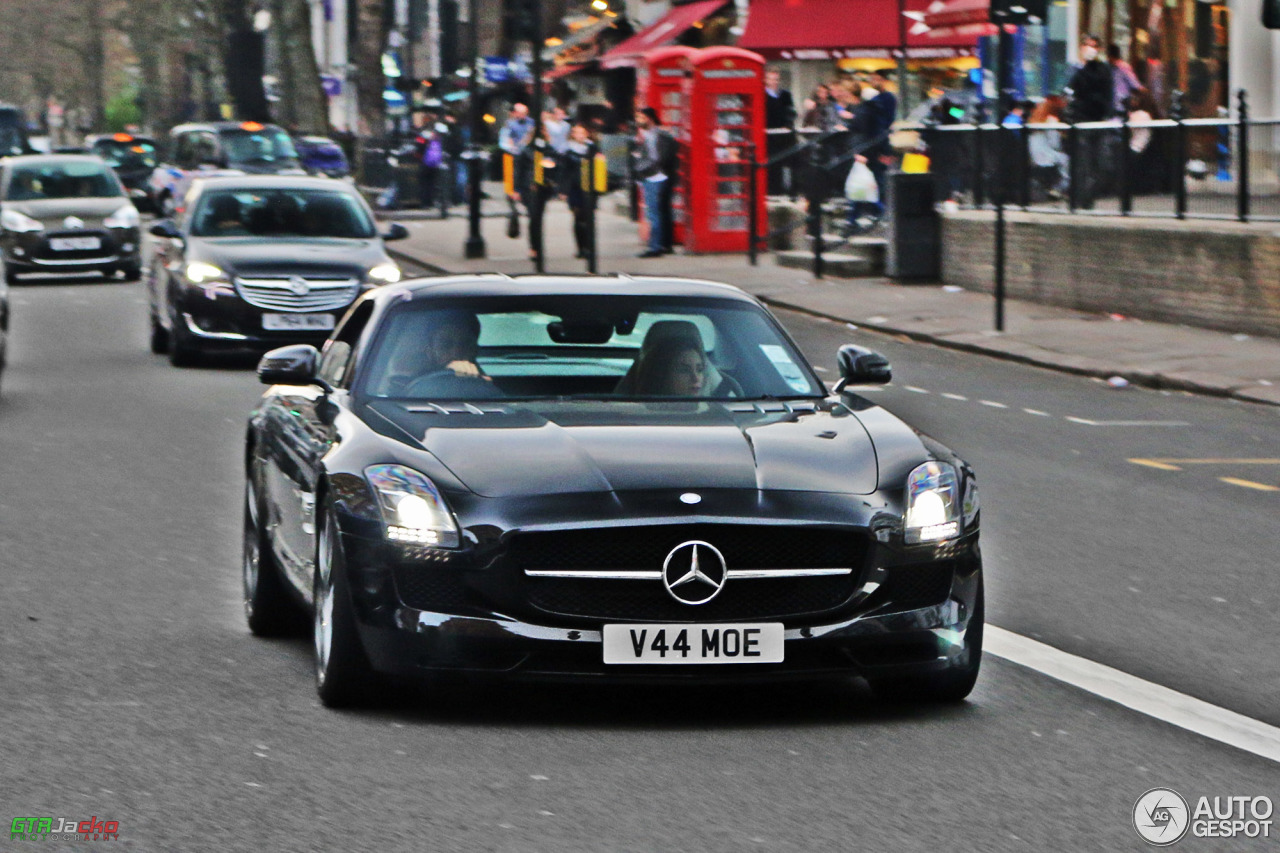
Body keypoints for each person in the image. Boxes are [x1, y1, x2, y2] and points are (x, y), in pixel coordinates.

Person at [1067, 35, 1115, 208]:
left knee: (1096, 162)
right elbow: (1071, 91)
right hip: (1082, 121)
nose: (1091, 49)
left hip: (1096, 120)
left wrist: (1106, 114)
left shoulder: (1101, 70)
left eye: (1094, 46)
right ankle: (1080, 197)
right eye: (1088, 45)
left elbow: (1107, 94)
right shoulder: (1076, 69)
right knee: (1082, 161)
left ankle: (1087, 196)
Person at [632, 107, 679, 258]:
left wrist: (645, 170)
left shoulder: (660, 135)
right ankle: (665, 244)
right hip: (652, 176)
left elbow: (662, 157)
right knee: (661, 211)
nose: (638, 120)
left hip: (656, 177)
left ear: (649, 118)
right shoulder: (640, 136)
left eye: (641, 117)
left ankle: (655, 247)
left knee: (654, 213)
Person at [562, 123, 594, 259]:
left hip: (589, 188)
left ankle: (589, 247)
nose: (580, 136)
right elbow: (564, 171)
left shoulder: (592, 148)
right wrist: (563, 190)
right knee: (578, 217)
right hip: (575, 188)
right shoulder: (568, 151)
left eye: (582, 133)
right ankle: (581, 248)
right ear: (573, 135)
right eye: (577, 133)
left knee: (588, 218)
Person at [635, 336, 706, 397]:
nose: (696, 378)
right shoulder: (640, 410)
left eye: (699, 370)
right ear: (662, 375)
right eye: (684, 370)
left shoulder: (710, 407)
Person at [764, 67, 796, 195]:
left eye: (776, 79)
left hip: (784, 136)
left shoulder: (785, 94)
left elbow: (791, 112)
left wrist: (788, 125)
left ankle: (786, 190)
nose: (774, 82)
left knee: (786, 163)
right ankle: (772, 189)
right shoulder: (762, 95)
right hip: (769, 136)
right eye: (771, 79)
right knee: (771, 164)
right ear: (766, 80)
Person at [498, 103, 536, 204]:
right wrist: (513, 147)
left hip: (527, 152)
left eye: (524, 113)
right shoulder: (510, 124)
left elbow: (531, 135)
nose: (522, 115)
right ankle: (511, 193)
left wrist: (524, 143)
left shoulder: (531, 122)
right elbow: (507, 138)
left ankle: (527, 192)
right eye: (520, 113)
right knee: (513, 173)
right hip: (513, 152)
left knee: (527, 173)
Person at [1108, 43, 1144, 117]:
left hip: (1121, 104)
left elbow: (1134, 84)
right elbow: (1135, 84)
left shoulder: (1121, 67)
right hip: (1117, 103)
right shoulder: (1117, 67)